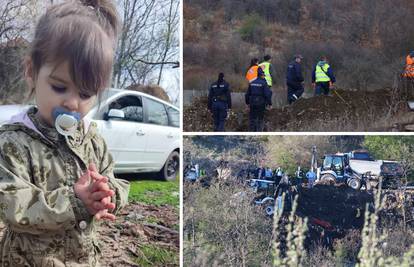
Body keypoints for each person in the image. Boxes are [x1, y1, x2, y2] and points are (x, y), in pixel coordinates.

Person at [0, 1, 130, 266]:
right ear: (31, 72)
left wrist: (107, 194)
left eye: (85, 94)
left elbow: (115, 179)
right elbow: (12, 205)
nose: (73, 103)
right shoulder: (14, 143)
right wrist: (74, 201)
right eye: (60, 87)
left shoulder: (93, 141)